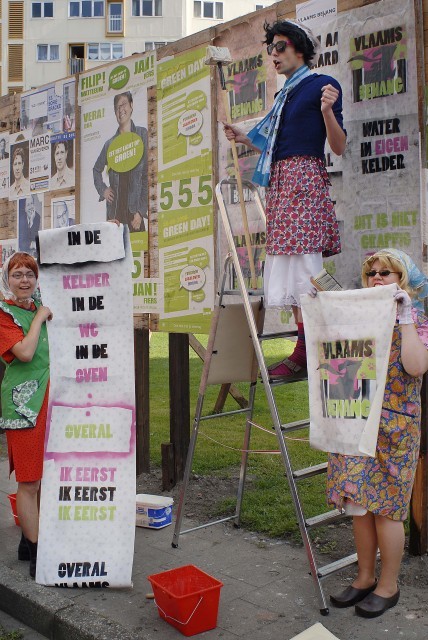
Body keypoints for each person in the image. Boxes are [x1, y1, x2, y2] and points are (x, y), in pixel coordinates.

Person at [224, 20, 346, 380]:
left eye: (279, 47)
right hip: (282, 183)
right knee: (293, 268)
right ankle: (307, 348)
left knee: (306, 266)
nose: (273, 55)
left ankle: (318, 345)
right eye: (270, 50)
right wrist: (246, 138)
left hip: (303, 180)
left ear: (299, 48)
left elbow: (338, 146)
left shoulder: (321, 86)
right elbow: (276, 142)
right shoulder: (284, 96)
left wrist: (326, 112)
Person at [327, 248, 428, 618]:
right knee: (358, 506)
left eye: (387, 272)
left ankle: (389, 585)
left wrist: (404, 317)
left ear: (404, 280)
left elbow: (416, 366)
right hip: (355, 420)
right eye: (372, 273)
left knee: (386, 511)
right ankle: (365, 577)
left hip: (395, 429)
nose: (378, 278)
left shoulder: (418, 320)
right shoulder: (360, 319)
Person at [0, 252, 52, 578]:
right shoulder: (5, 315)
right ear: (8, 280)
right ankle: (37, 556)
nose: (24, 281)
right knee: (29, 481)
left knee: (42, 478)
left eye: (29, 274)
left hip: (48, 400)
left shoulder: (38, 305)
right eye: (17, 274)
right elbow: (25, 352)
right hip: (23, 406)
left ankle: (26, 540)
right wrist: (40, 317)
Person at [93, 91, 148, 231]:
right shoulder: (109, 144)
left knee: (140, 253)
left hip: (135, 215)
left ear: (131, 106)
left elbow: (148, 176)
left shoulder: (142, 135)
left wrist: (141, 211)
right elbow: (96, 170)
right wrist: (103, 190)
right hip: (114, 218)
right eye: (117, 107)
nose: (120, 110)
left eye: (123, 104)